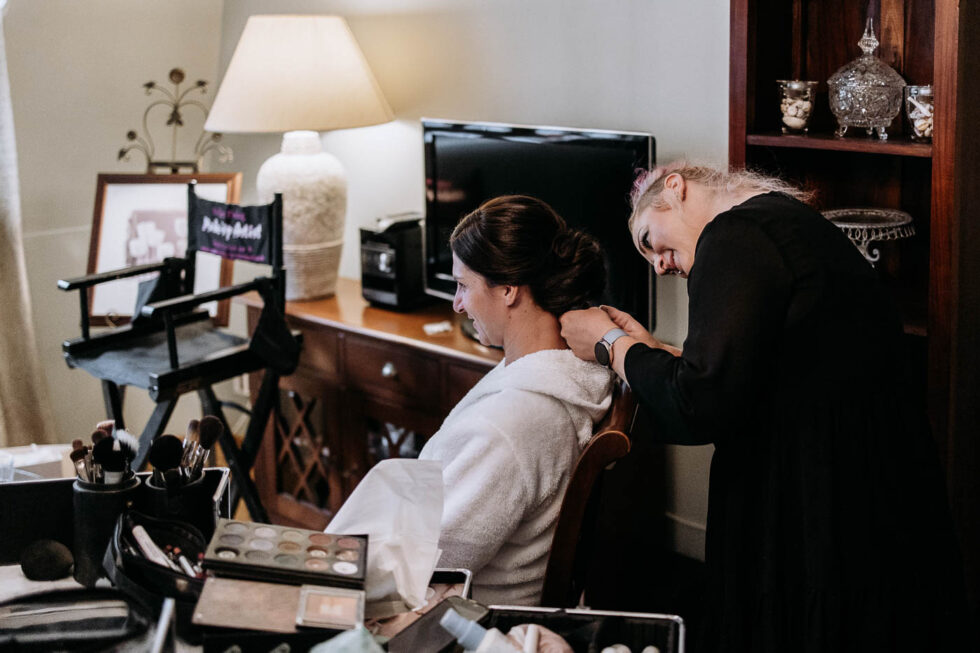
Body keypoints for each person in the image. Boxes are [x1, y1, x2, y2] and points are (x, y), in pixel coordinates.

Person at [560, 164, 968, 652]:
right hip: (868, 477)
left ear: (676, 187)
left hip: (812, 493)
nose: (659, 267)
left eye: (649, 241)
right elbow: (748, 371)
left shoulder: (735, 235)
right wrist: (648, 351)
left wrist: (610, 344)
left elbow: (698, 403)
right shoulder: (779, 220)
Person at [418, 195, 615, 606]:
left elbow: (431, 560)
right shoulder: (566, 375)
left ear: (508, 290)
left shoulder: (511, 424)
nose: (456, 303)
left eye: (463, 285)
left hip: (472, 615)